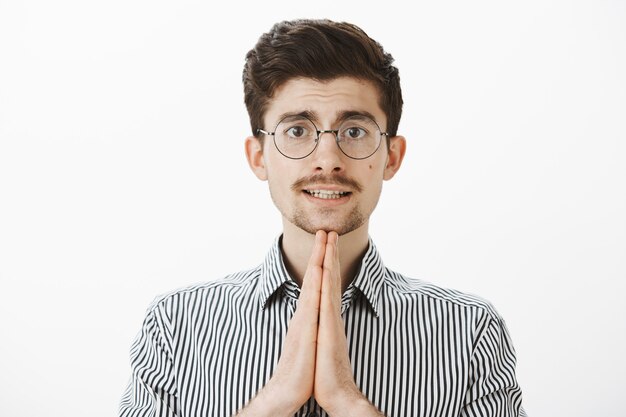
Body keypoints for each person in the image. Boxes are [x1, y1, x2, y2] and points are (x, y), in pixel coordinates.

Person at [119, 19, 526, 417]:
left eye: (354, 131)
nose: (328, 160)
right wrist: (274, 401)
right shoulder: (176, 325)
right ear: (259, 157)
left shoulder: (470, 332)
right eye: (297, 131)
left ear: (392, 157)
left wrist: (348, 403)